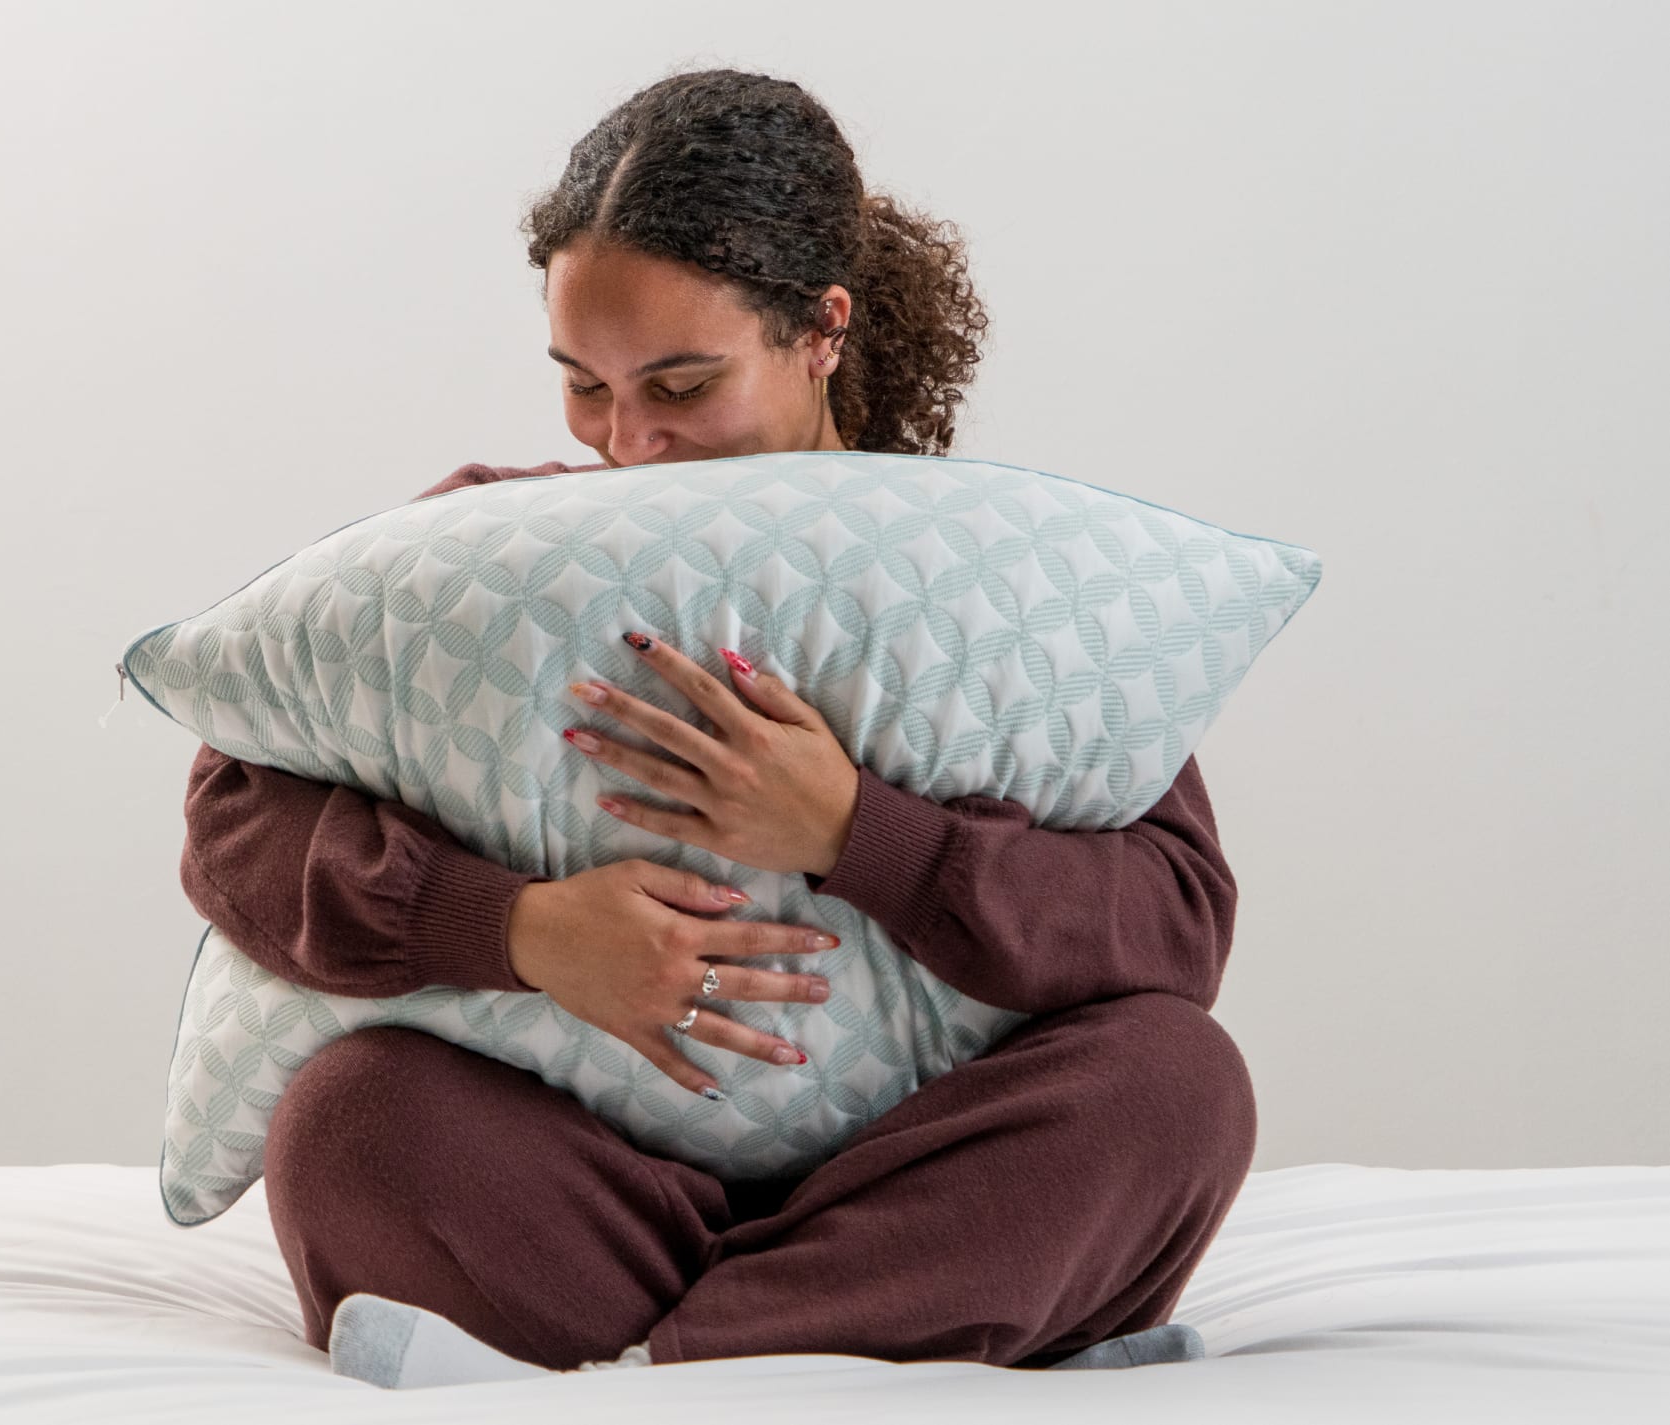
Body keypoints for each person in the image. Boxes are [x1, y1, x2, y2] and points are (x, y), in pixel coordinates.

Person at [179, 65, 1255, 1387]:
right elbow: (236, 816)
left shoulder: (983, 573)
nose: (626, 442)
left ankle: (665, 1373)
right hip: (597, 1187)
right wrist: (520, 930)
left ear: (820, 332)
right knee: (353, 1125)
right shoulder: (491, 546)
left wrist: (862, 833)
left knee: (1173, 1086)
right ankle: (865, 1340)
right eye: (583, 384)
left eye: (681, 384)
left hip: (922, 1163)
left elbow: (1173, 923)